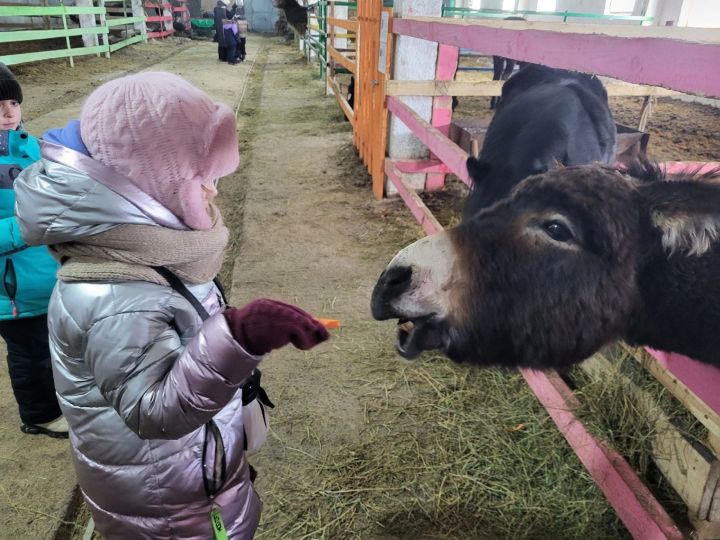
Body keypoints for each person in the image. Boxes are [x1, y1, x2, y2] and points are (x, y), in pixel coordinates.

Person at [14, 72, 329, 538]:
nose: (214, 192)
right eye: (203, 178)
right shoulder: (115, 292)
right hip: (162, 506)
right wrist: (240, 336)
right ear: (152, 180)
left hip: (190, 473)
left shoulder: (146, 249)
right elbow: (154, 411)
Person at [0, 63, 67, 438]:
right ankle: (38, 414)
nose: (9, 112)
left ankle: (62, 401)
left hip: (48, 274)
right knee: (31, 354)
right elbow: (34, 216)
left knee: (56, 346)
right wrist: (31, 223)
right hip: (11, 289)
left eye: (13, 102)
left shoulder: (33, 147)